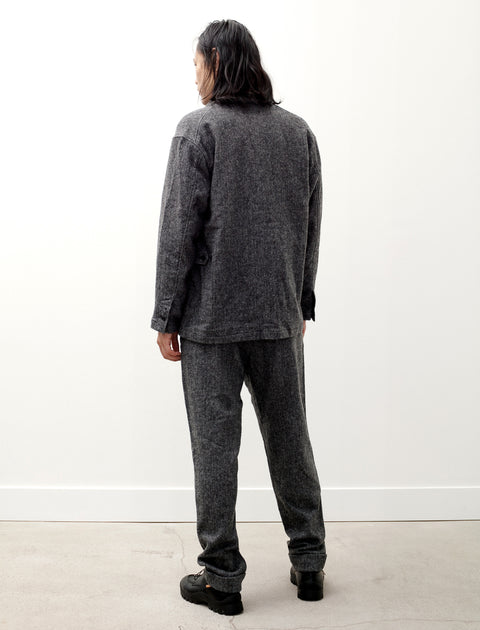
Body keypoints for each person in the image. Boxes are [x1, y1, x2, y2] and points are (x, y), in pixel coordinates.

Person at [151, 19, 326, 616]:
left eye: (198, 64)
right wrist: (301, 299)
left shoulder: (198, 129)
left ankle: (222, 579)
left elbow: (179, 229)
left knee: (215, 448)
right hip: (278, 316)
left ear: (217, 62)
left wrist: (166, 314)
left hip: (210, 321)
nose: (195, 76)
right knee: (290, 437)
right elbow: (310, 224)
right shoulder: (298, 133)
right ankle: (309, 562)